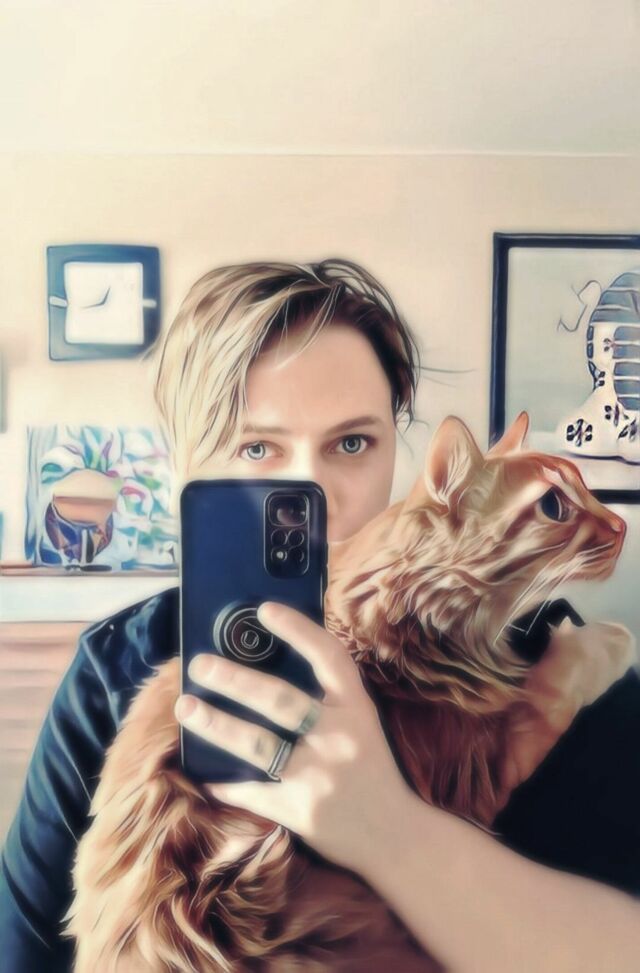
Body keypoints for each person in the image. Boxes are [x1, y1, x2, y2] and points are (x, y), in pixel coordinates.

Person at [1, 258, 639, 972]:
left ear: (403, 450)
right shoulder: (116, 665)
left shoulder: (554, 649)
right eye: (257, 447)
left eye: (352, 443)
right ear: (189, 469)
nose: (314, 494)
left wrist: (389, 829)